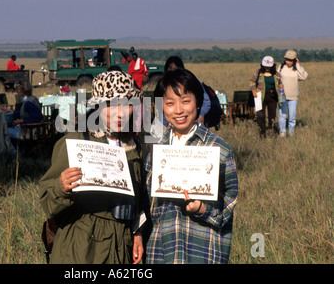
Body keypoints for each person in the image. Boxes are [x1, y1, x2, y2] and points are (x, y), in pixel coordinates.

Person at [39, 71, 147, 264]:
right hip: (80, 247)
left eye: (126, 105)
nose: (119, 113)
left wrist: (137, 232)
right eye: (110, 105)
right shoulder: (75, 143)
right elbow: (48, 201)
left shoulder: (135, 148)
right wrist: (61, 187)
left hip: (122, 247)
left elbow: (138, 201)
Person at [145, 68, 238, 264]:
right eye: (169, 103)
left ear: (197, 103)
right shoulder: (156, 151)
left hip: (202, 250)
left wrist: (204, 209)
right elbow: (148, 206)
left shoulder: (218, 149)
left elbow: (228, 204)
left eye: (185, 101)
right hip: (161, 252)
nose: (178, 110)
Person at [277, 50, 308, 137]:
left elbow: (304, 76)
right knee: (282, 115)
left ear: (295, 60)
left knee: (292, 116)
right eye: (287, 59)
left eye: (290, 60)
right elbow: (277, 78)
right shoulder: (281, 67)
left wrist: (298, 65)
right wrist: (279, 86)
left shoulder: (297, 69)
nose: (288, 62)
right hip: (283, 95)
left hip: (294, 96)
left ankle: (291, 133)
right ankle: (282, 132)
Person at [250, 56, 282, 137]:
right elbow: (252, 81)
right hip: (260, 96)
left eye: (269, 67)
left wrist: (281, 87)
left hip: (272, 96)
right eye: (266, 66)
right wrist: (254, 91)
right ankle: (262, 132)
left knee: (272, 116)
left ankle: (272, 132)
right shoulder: (258, 72)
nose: (267, 68)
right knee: (260, 116)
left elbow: (280, 83)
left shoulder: (277, 74)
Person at [2, 81, 43, 145]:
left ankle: (14, 152)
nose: (16, 91)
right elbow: (25, 113)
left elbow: (37, 118)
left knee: (4, 130)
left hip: (31, 132)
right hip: (28, 129)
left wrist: (21, 121)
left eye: (18, 89)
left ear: (23, 90)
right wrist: (11, 111)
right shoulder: (31, 98)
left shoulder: (28, 103)